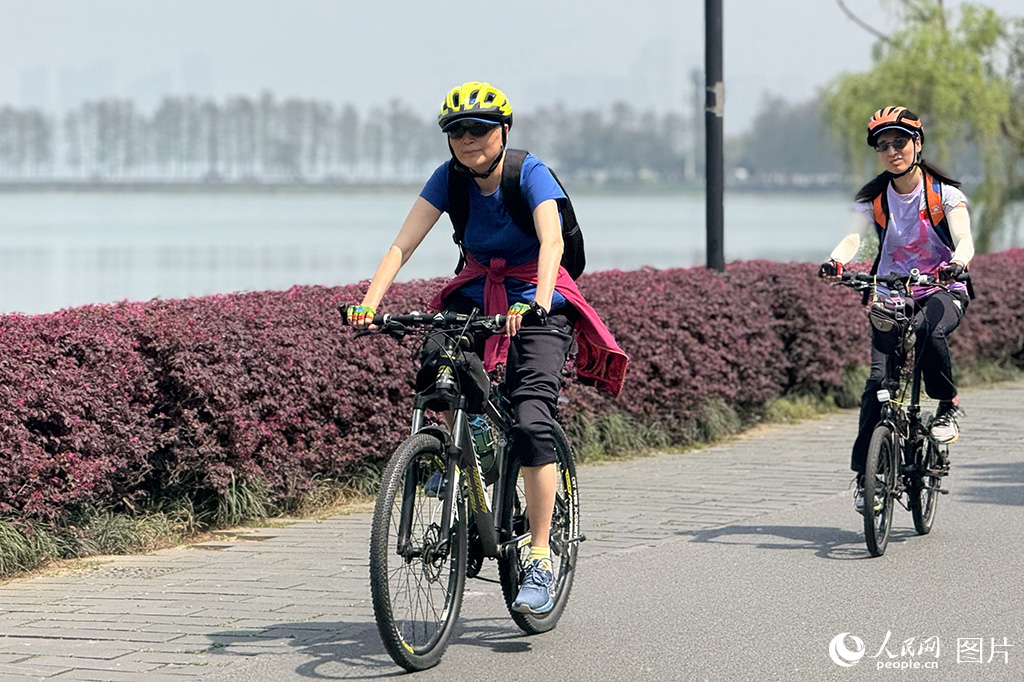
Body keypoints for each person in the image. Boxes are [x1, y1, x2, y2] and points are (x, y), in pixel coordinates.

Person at [346, 81, 627, 614]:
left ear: (502, 131)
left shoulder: (529, 173)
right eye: (456, 132)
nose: (468, 140)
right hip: (476, 294)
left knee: (529, 419)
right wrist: (369, 302)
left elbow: (552, 242)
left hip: (538, 299)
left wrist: (538, 304)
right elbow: (402, 244)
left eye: (479, 129)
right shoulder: (448, 179)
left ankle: (540, 555)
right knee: (435, 362)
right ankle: (460, 442)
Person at [819, 106, 974, 512]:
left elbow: (965, 239)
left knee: (928, 330)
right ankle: (865, 478)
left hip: (941, 288)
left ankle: (947, 406)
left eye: (900, 142)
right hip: (890, 293)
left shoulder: (944, 196)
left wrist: (958, 262)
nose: (892, 151)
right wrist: (836, 260)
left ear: (917, 144)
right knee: (876, 385)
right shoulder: (874, 199)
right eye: (883, 145)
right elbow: (853, 240)